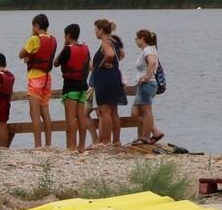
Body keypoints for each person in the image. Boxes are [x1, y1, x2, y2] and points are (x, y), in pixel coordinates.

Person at [19, 13, 57, 148]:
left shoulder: (34, 39)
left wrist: (32, 36)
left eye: (33, 26)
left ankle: (38, 145)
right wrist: (31, 58)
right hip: (47, 78)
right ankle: (48, 144)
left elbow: (21, 54)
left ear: (36, 25)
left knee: (34, 112)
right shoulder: (52, 39)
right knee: (45, 111)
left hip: (35, 78)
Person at [54, 23, 91, 151]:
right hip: (83, 85)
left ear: (68, 36)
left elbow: (56, 63)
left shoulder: (67, 49)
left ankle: (72, 146)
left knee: (70, 117)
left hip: (71, 86)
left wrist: (64, 46)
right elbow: (87, 65)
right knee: (81, 116)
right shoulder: (85, 48)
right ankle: (82, 146)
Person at [91, 19, 126, 147]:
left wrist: (101, 64)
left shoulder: (105, 42)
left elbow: (110, 54)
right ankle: (116, 141)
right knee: (114, 111)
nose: (95, 32)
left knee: (104, 111)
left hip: (104, 79)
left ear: (101, 30)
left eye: (96, 30)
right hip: (114, 77)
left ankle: (106, 141)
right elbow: (121, 54)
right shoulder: (114, 41)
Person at [131, 29, 163, 145]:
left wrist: (146, 77)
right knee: (135, 113)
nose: (135, 41)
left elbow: (152, 62)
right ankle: (155, 132)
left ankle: (145, 137)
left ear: (142, 39)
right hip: (145, 85)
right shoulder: (149, 49)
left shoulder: (148, 50)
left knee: (146, 111)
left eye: (137, 38)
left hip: (147, 84)